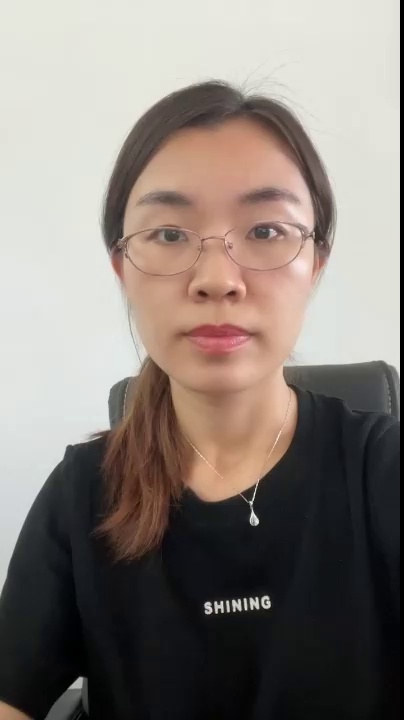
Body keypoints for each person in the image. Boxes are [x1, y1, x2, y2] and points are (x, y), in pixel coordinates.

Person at [0, 80, 399, 720]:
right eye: (168, 234)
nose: (217, 279)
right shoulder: (82, 494)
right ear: (121, 268)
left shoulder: (382, 470)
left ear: (316, 263)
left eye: (266, 229)